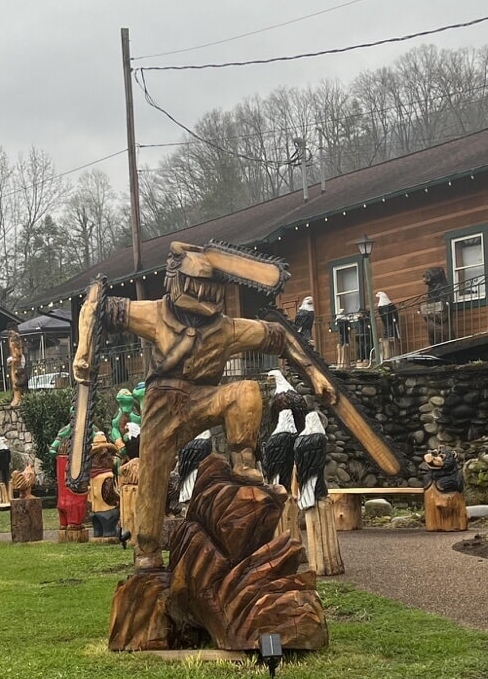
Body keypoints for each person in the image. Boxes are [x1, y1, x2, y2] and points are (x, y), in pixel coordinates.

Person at [73, 240, 338, 572]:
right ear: (176, 280)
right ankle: (147, 549)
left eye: (210, 286)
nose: (203, 293)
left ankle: (243, 464)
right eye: (196, 284)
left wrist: (314, 374)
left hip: (203, 398)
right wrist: (83, 352)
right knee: (154, 471)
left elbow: (280, 337)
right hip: (163, 403)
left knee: (244, 392)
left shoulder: (226, 328)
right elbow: (97, 309)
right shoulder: (154, 313)